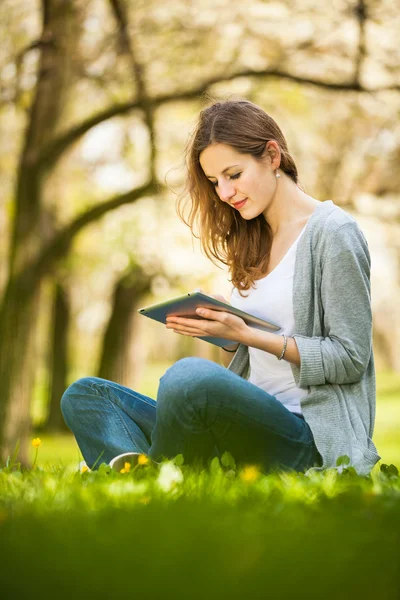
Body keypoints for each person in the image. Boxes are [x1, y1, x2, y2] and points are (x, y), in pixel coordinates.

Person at [61, 98, 381, 476]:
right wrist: (228, 332)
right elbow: (256, 357)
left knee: (186, 379)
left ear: (272, 156)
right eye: (215, 182)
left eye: (233, 174)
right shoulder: (254, 235)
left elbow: (350, 358)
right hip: (245, 428)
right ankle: (152, 470)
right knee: (85, 396)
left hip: (305, 439)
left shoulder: (333, 233)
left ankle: (153, 477)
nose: (225, 193)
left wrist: (248, 333)